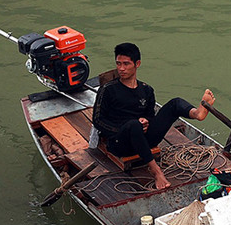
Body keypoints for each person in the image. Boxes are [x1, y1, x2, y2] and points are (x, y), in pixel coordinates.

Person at [91, 42, 215, 190]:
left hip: (144, 139)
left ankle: (197, 113)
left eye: (126, 64)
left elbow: (150, 115)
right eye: (118, 64)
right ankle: (156, 171)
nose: (121, 68)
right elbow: (98, 120)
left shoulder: (146, 90)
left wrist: (146, 121)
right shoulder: (108, 89)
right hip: (120, 142)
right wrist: (127, 128)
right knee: (133, 125)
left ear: (137, 64)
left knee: (174, 103)